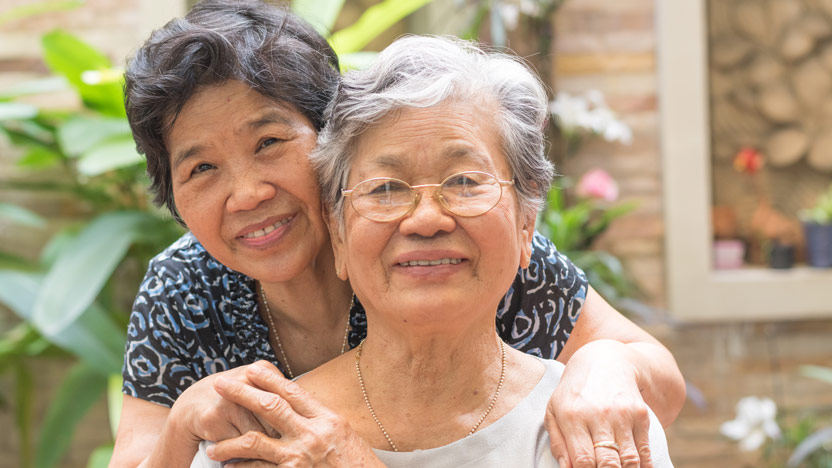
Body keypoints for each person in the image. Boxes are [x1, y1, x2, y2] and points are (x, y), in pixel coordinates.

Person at [111, 1, 685, 467]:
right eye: (201, 169)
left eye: (269, 143)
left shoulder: (475, 246)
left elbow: (656, 376)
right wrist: (187, 419)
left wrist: (604, 363)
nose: (247, 193)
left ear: (331, 140)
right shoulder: (184, 286)